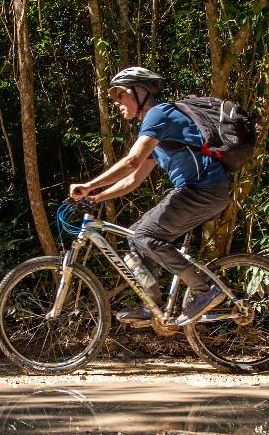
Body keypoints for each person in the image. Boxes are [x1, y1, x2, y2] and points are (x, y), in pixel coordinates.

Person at [69, 67, 230, 326]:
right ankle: (152, 305)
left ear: (139, 92)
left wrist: (88, 185)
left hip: (203, 188)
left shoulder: (159, 114)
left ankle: (205, 291)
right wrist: (98, 196)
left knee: (146, 235)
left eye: (121, 96)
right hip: (198, 191)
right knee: (136, 236)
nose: (118, 103)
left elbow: (132, 162)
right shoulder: (157, 127)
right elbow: (134, 179)